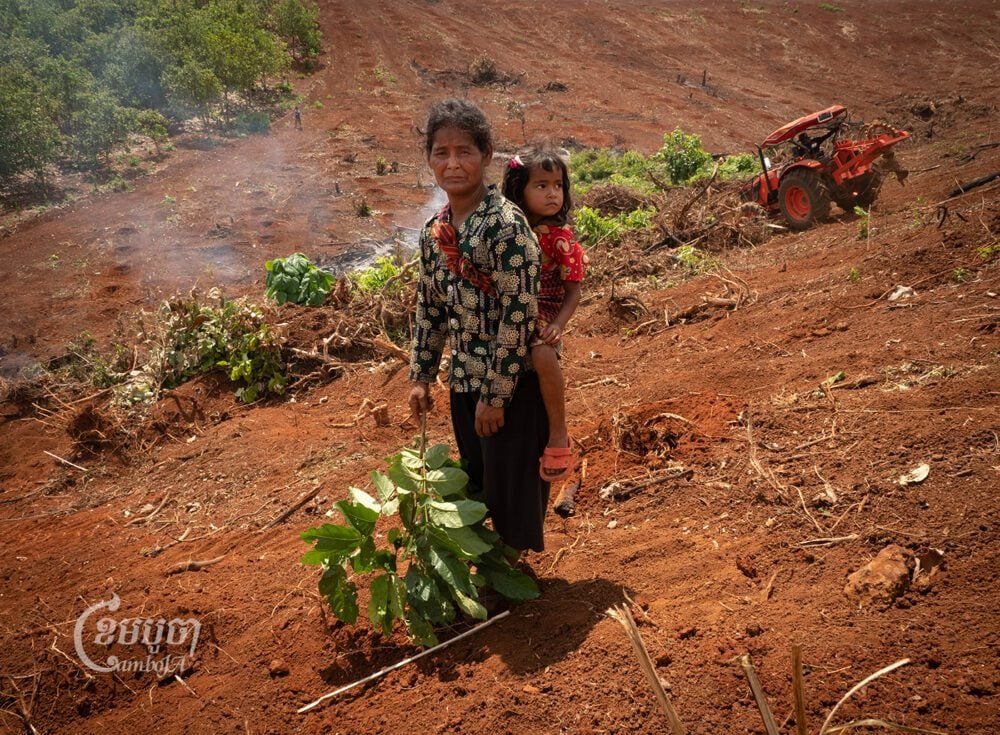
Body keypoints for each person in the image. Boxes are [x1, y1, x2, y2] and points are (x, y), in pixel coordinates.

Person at [408, 98, 550, 554]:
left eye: (464, 151)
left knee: (511, 487)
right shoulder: (435, 232)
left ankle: (511, 576)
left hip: (513, 385)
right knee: (477, 482)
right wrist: (421, 375)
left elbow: (519, 314)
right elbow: (429, 308)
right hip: (464, 382)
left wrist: (495, 395)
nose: (453, 164)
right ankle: (494, 569)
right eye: (441, 153)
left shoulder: (506, 227)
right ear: (430, 158)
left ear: (486, 154)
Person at [500, 142, 587, 482]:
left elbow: (574, 290)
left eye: (558, 186)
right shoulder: (508, 228)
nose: (553, 194)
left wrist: (558, 325)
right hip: (512, 307)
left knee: (542, 354)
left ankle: (558, 433)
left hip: (544, 309)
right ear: (519, 191)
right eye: (541, 185)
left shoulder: (559, 237)